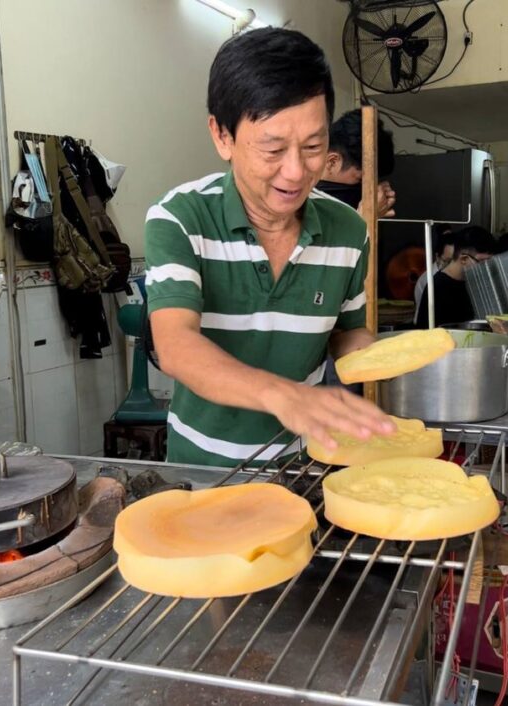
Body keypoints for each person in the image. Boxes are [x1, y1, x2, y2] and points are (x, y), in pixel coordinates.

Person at [145, 27, 395, 467]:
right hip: (203, 469)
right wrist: (284, 396)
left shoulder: (348, 230)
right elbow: (175, 346)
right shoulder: (179, 219)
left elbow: (349, 332)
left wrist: (388, 361)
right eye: (273, 149)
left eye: (314, 146)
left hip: (304, 464)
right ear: (222, 136)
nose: (296, 172)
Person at [316, 109, 396, 218]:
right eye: (360, 180)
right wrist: (365, 217)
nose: (363, 188)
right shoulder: (295, 201)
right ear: (332, 162)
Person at [415, 226, 495, 328]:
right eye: (483, 262)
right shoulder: (437, 287)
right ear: (464, 259)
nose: (486, 267)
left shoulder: (473, 282)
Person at [413, 224, 455, 324]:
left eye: (455, 261)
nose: (452, 266)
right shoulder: (429, 280)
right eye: (447, 261)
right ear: (437, 257)